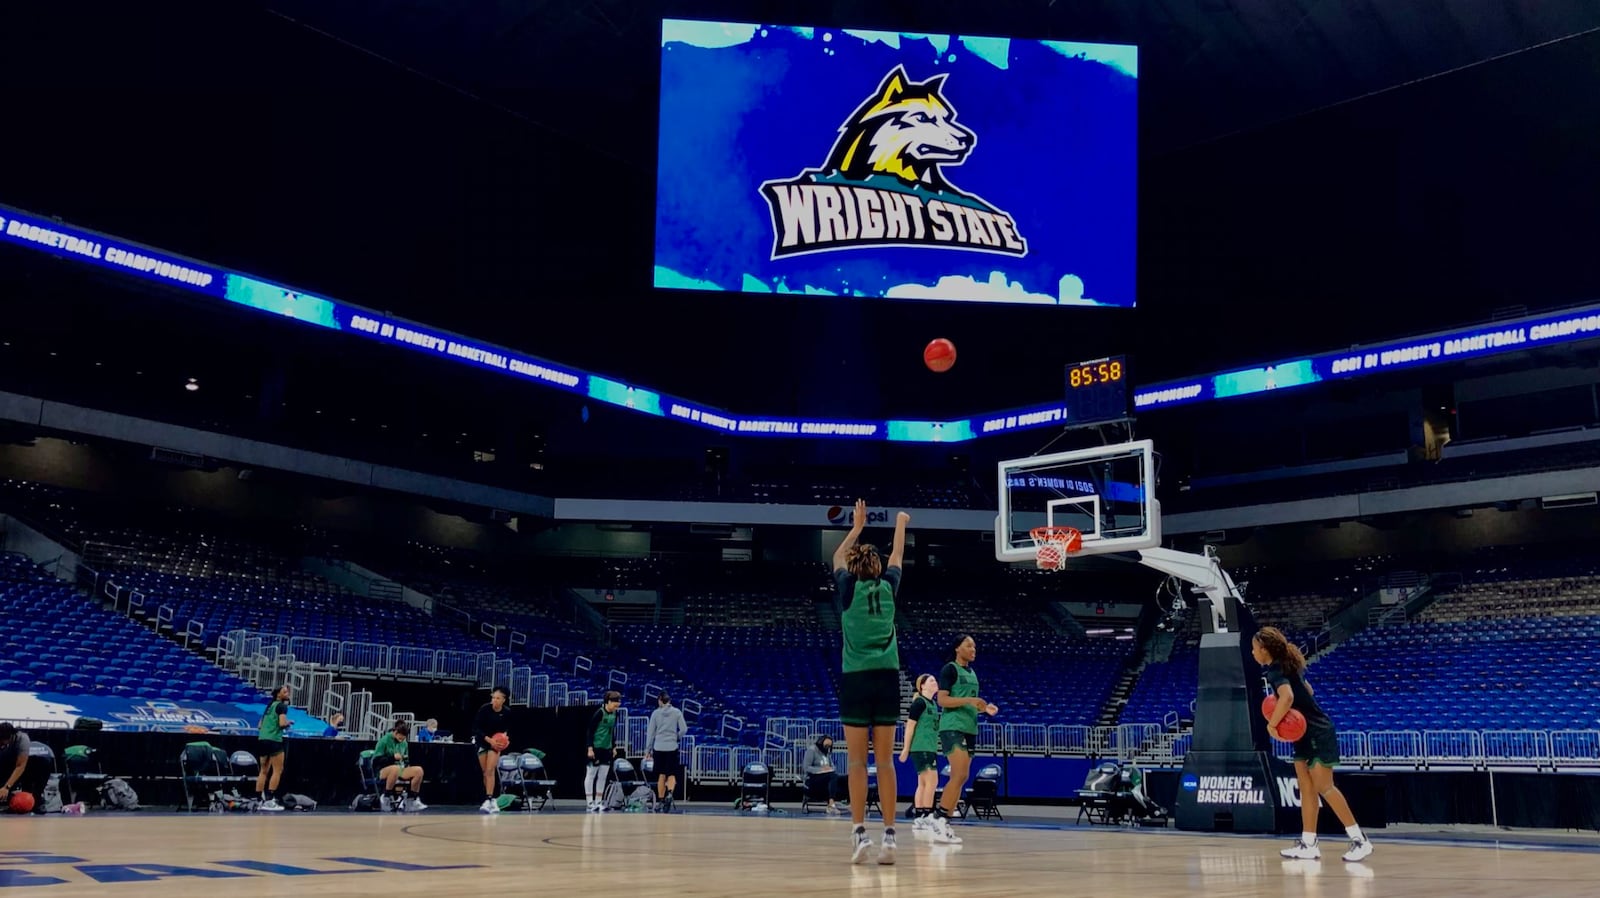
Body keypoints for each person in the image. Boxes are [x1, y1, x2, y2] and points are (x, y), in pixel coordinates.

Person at [1253, 627, 1373, 862]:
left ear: (1264, 650)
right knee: (1306, 788)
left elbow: (1287, 697)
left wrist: (1272, 724)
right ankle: (1309, 843)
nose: (1253, 653)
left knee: (1324, 787)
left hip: (1317, 731)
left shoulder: (1276, 671)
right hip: (1304, 733)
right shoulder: (1286, 666)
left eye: (1254, 648)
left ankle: (1360, 840)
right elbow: (1308, 690)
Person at [832, 499, 909, 865]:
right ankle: (890, 837)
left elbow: (836, 557)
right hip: (887, 679)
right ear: (877, 568)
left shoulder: (847, 590)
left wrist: (857, 527)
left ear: (854, 567)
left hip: (856, 680)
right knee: (887, 762)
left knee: (857, 763)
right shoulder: (890, 587)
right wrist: (900, 522)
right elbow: (896, 554)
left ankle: (860, 832)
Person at [933, 635, 998, 844]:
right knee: (959, 773)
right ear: (957, 648)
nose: (973, 649)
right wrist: (970, 700)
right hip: (952, 727)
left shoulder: (973, 673)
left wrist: (985, 709)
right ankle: (939, 819)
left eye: (975, 646)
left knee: (962, 777)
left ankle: (946, 824)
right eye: (969, 645)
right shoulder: (949, 669)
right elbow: (942, 700)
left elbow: (970, 705)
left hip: (970, 728)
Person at [899, 673, 941, 831]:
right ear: (922, 685)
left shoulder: (933, 704)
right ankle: (927, 816)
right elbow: (910, 726)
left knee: (923, 783)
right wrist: (905, 748)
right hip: (921, 747)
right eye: (931, 680)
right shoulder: (919, 703)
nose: (935, 682)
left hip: (929, 747)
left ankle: (920, 817)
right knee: (932, 781)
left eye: (935, 680)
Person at [644, 692, 686, 812]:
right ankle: (670, 793)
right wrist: (676, 737)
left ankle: (661, 800)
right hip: (672, 747)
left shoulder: (656, 713)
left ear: (660, 700)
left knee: (661, 775)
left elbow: (651, 733)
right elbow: (684, 729)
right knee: (671, 774)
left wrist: (648, 750)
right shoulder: (677, 712)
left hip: (659, 747)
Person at [472, 686, 511, 814]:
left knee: (490, 770)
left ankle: (489, 799)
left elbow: (505, 729)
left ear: (504, 700)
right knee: (485, 772)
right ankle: (489, 799)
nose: (494, 700)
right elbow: (476, 728)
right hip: (483, 741)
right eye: (493, 697)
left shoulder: (506, 712)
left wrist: (504, 738)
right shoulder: (484, 709)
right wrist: (489, 740)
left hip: (496, 744)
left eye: (498, 698)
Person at [374, 720, 426, 812]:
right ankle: (386, 796)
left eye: (403, 738)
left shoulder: (404, 743)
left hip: (400, 769)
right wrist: (392, 757)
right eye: (400, 738)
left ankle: (411, 800)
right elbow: (376, 761)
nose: (401, 740)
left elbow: (406, 760)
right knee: (395, 768)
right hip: (382, 770)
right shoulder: (384, 740)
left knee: (419, 770)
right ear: (395, 732)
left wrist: (405, 761)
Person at [256, 685, 292, 811]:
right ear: (278, 694)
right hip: (274, 740)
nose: (287, 693)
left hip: (262, 739)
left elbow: (260, 725)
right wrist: (288, 723)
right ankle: (270, 800)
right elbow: (282, 724)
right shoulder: (282, 706)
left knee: (263, 771)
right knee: (278, 770)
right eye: (285, 692)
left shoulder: (269, 706)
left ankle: (259, 801)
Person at [585, 691, 623, 813]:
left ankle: (599, 801)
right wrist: (590, 748)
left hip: (607, 748)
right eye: (615, 703)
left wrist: (613, 747)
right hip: (596, 747)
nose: (617, 706)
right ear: (609, 702)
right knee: (591, 774)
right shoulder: (599, 713)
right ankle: (590, 802)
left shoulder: (615, 715)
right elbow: (590, 731)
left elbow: (612, 731)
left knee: (603, 776)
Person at [0, 723, 47, 814]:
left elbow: (20, 766)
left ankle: (36, 800)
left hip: (19, 766)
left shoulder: (22, 739)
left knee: (42, 763)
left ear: (10, 737)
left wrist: (6, 787)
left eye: (2, 740)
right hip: (5, 763)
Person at [802, 735, 847, 814]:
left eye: (829, 746)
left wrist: (831, 768)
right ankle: (831, 805)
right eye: (826, 745)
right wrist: (821, 769)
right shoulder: (811, 750)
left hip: (826, 778)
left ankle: (851, 803)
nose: (827, 747)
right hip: (812, 780)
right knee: (832, 776)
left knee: (847, 778)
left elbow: (832, 766)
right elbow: (806, 768)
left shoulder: (827, 753)